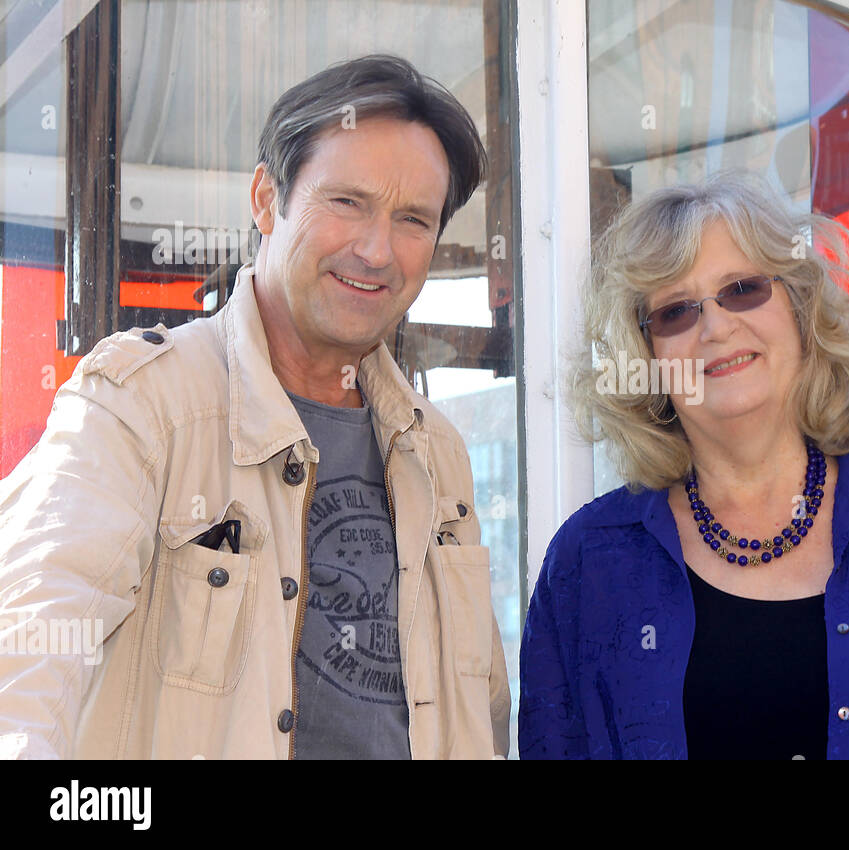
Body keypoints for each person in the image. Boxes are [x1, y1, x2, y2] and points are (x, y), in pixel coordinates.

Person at [0, 55, 509, 759]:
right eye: (348, 202)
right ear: (268, 199)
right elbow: (28, 637)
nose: (376, 249)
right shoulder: (140, 403)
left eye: (413, 219)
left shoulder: (438, 451)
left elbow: (479, 711)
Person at [518, 172, 849, 759]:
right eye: (675, 312)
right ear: (650, 359)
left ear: (800, 311)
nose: (715, 327)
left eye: (742, 289)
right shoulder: (588, 564)